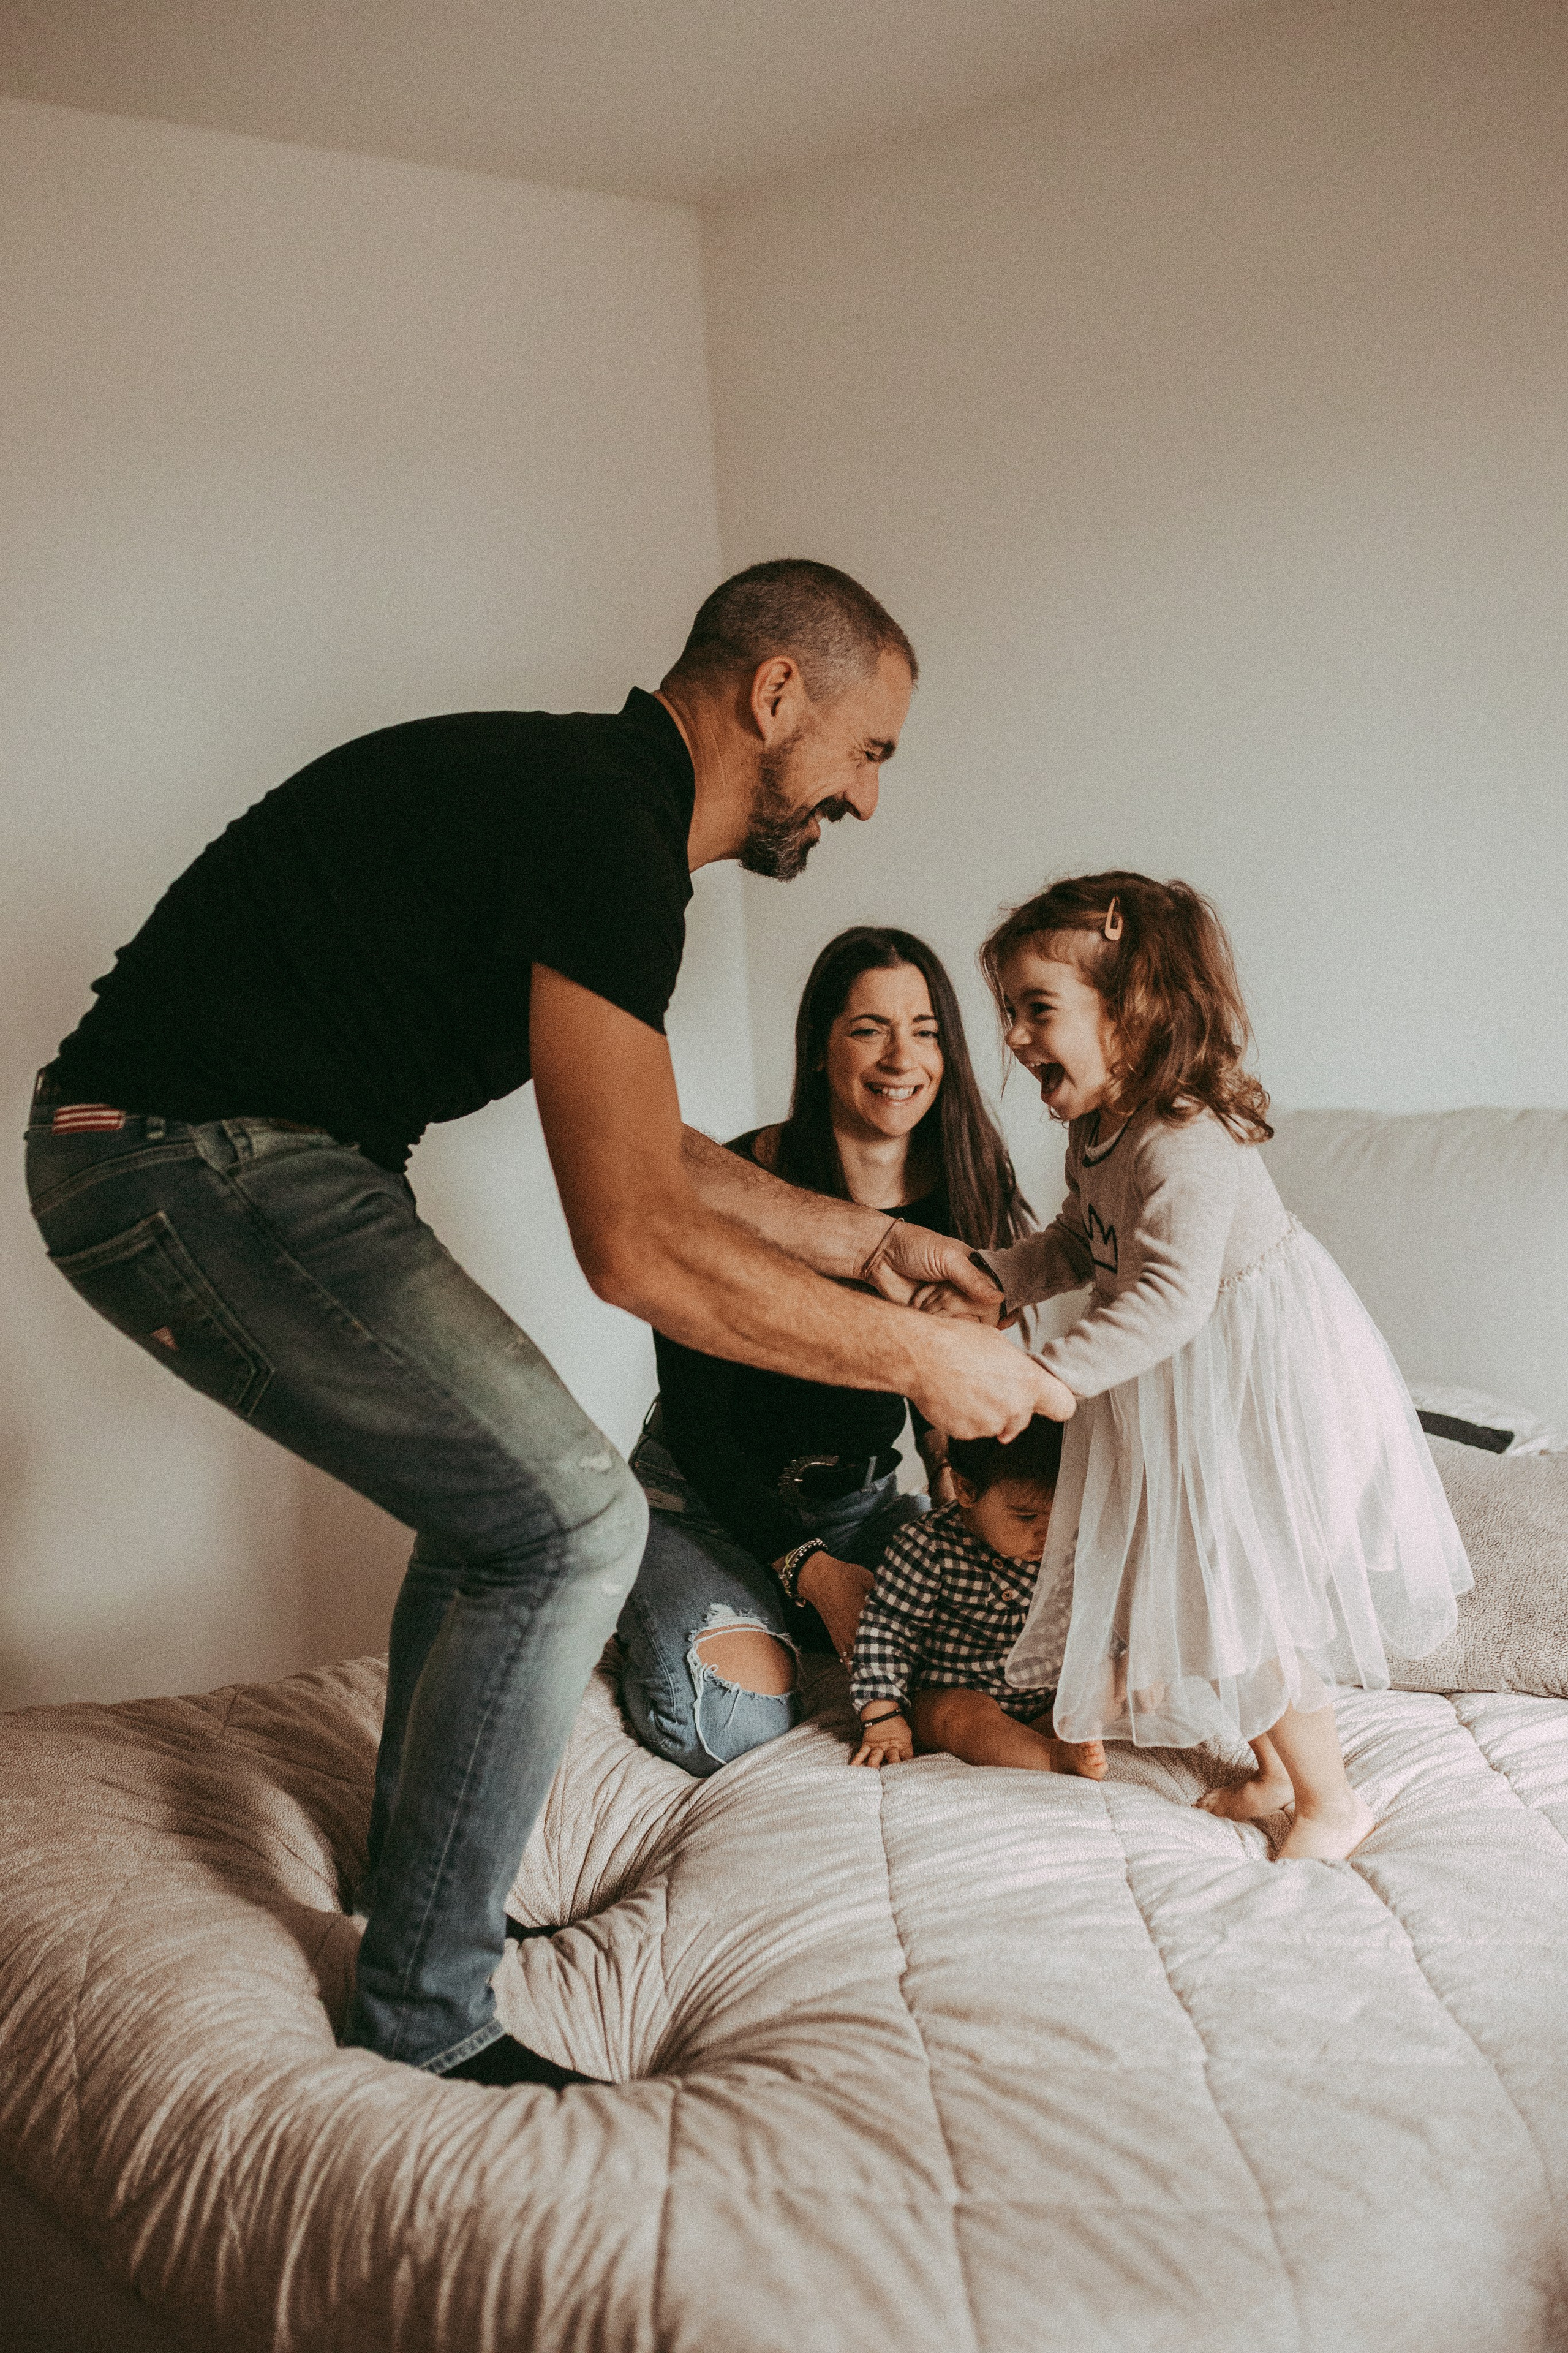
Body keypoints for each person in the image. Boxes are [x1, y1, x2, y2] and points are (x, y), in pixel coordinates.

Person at [24, 559, 1071, 2088]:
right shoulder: (609, 832)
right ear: (775, 691)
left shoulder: (592, 811)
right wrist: (926, 1356)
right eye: (866, 750)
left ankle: (417, 1920)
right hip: (177, 1153)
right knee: (576, 1515)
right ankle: (427, 2011)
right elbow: (634, 1243)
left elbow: (659, 1154)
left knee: (510, 1509)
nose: (863, 797)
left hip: (247, 1152)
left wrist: (872, 1243)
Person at [963, 870, 1471, 1861]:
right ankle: (1275, 1767)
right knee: (1204, 1580)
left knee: (1242, 1584)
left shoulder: (1183, 1136)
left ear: (1132, 1012)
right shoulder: (1094, 1131)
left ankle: (1331, 1800)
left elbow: (1168, 1296)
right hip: (1177, 1380)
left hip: (1254, 1377)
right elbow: (1080, 1241)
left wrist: (1046, 1376)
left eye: (1038, 1009)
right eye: (1010, 1013)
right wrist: (997, 1280)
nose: (1016, 1037)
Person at [619, 926, 1034, 1777]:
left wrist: (953, 1491)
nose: (901, 1058)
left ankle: (785, 1620)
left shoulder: (968, 1189)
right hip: (704, 1504)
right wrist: (815, 1574)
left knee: (999, 1668)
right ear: (819, 1048)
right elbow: (698, 1425)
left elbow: (942, 1384)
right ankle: (668, 1603)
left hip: (863, 1508)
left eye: (924, 1031)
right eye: (869, 1029)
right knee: (732, 1726)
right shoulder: (738, 1184)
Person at [846, 1418, 1108, 1777]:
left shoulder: (1072, 1545)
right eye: (1026, 1516)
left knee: (1121, 1674)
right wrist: (882, 1714)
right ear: (966, 1490)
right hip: (957, 1693)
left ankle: (1038, 1734)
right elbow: (887, 1631)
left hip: (1045, 1694)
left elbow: (1100, 1615)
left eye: (1063, 1513)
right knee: (959, 1713)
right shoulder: (926, 1546)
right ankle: (1050, 1758)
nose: (1049, 1534)